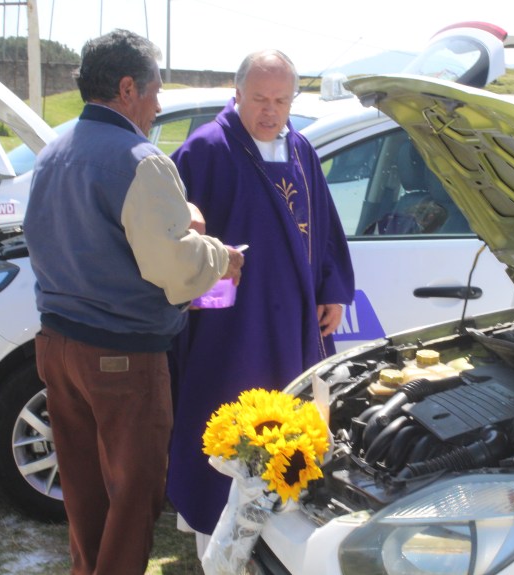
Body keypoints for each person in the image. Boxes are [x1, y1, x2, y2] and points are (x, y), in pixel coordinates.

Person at [22, 29, 245, 575]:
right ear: (127, 89)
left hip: (57, 346)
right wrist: (222, 258)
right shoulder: (140, 159)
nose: (159, 103)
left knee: (84, 493)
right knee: (133, 496)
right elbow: (172, 267)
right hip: (120, 358)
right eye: (155, 89)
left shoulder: (54, 150)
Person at [165, 49, 355, 553]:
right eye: (259, 99)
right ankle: (212, 536)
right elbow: (176, 241)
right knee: (226, 425)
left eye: (281, 100)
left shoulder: (301, 150)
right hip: (229, 332)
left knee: (290, 422)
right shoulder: (205, 150)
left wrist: (333, 290)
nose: (270, 112)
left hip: (293, 323)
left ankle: (277, 539)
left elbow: (326, 230)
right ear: (237, 94)